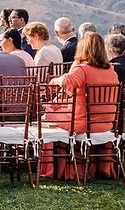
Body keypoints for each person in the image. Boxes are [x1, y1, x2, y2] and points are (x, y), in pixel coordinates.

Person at [43, 32, 120, 180]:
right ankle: (99, 168)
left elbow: (67, 82)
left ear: (82, 49)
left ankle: (55, 169)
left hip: (83, 123)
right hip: (105, 124)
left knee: (48, 115)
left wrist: (56, 80)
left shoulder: (82, 69)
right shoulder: (111, 70)